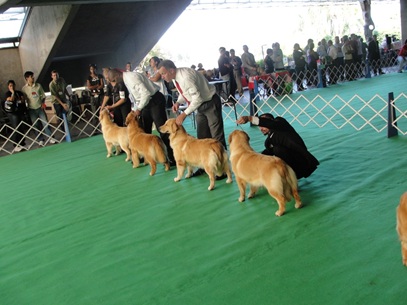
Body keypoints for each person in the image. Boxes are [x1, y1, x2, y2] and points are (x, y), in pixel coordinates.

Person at [158, 59, 227, 179]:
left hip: (209, 102)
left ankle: (222, 170)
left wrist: (184, 114)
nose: (162, 77)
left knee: (216, 136)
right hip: (200, 106)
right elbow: (184, 92)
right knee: (201, 137)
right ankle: (203, 166)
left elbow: (197, 99)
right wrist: (179, 102)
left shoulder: (185, 78)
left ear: (171, 70)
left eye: (163, 74)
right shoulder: (175, 78)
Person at [236, 114, 319, 179]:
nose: (261, 128)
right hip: (290, 166)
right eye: (260, 127)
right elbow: (266, 154)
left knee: (278, 150)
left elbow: (272, 124)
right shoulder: (268, 142)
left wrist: (250, 118)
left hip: (302, 162)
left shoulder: (281, 123)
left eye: (263, 125)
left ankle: (288, 178)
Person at [122, 70, 175, 165]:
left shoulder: (131, 77)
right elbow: (136, 97)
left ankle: (172, 157)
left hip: (154, 100)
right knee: (144, 132)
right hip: (146, 103)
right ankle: (146, 155)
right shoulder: (125, 79)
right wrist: (135, 109)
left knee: (162, 129)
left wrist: (138, 109)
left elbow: (145, 93)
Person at [21, 71, 55, 146]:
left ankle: (51, 137)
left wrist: (43, 103)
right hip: (31, 109)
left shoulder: (38, 86)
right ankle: (40, 140)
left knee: (45, 122)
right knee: (35, 125)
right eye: (31, 77)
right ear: (27, 78)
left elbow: (43, 96)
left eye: (33, 76)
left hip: (40, 108)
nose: (33, 78)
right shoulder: (24, 89)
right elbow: (24, 99)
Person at [3, 80, 27, 152]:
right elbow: (10, 100)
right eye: (10, 86)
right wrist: (12, 93)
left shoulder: (19, 93)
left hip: (20, 111)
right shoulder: (7, 94)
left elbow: (22, 100)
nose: (12, 87)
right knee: (16, 127)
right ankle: (16, 144)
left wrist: (19, 99)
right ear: (8, 87)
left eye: (13, 85)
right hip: (12, 113)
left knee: (21, 127)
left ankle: (22, 143)